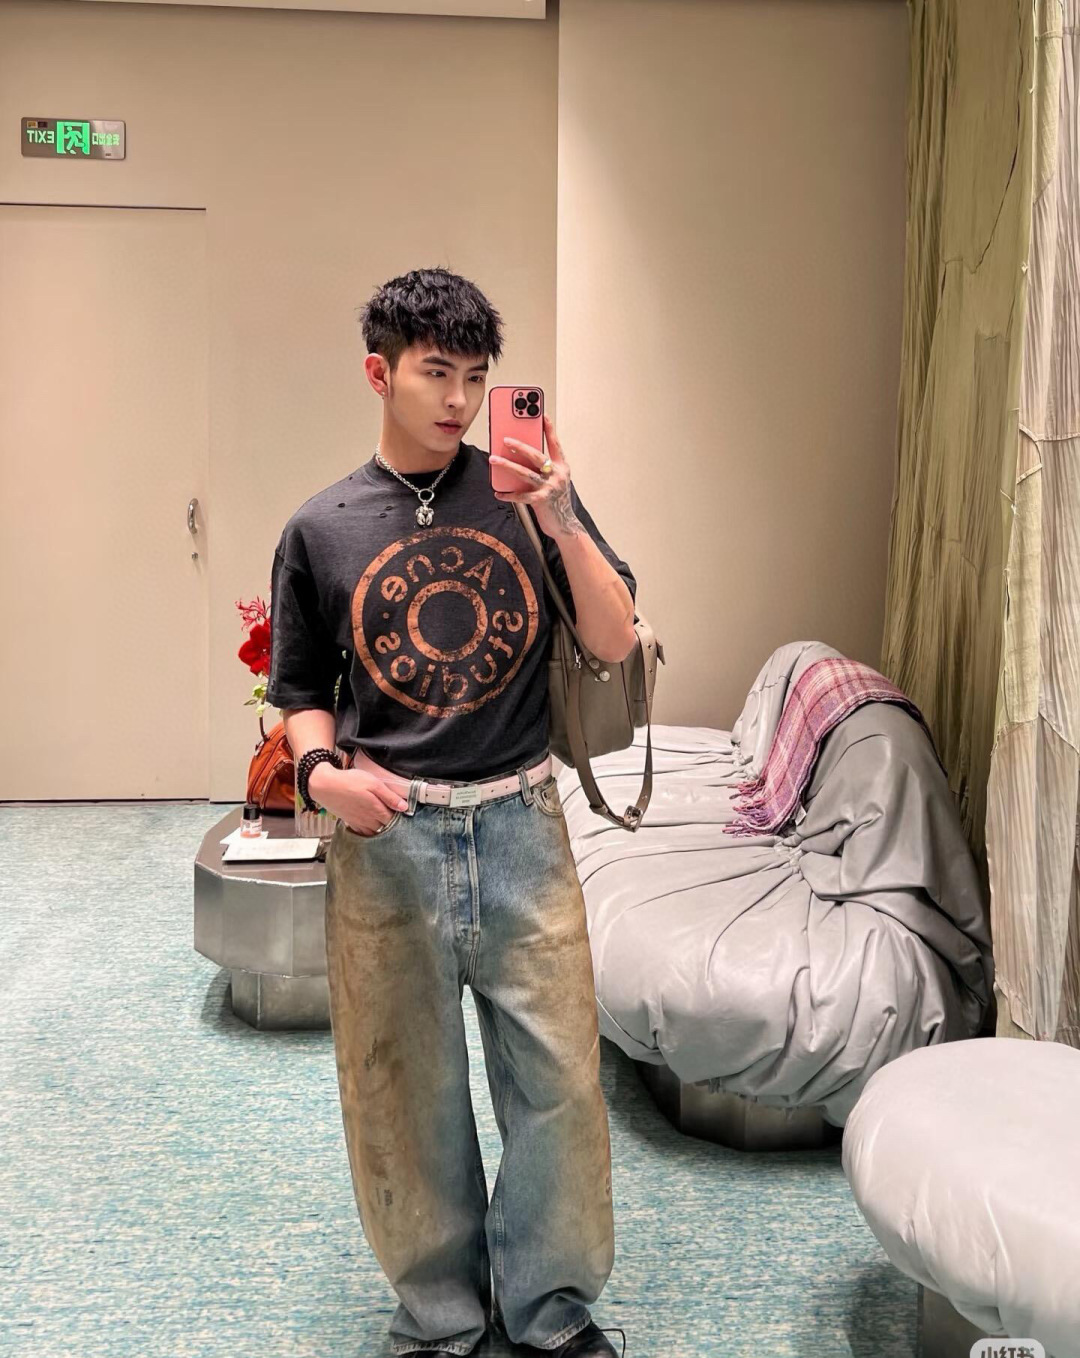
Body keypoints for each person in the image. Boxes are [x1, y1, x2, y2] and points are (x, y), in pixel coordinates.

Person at [266, 267, 636, 1358]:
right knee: (403, 1091)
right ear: (378, 373)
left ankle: (550, 1313)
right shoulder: (321, 527)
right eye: (436, 373)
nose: (460, 400)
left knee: (561, 1086)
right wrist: (321, 774)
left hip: (522, 823)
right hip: (389, 839)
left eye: (477, 377)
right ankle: (439, 1319)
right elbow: (299, 689)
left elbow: (616, 638)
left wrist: (559, 514)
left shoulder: (527, 494)